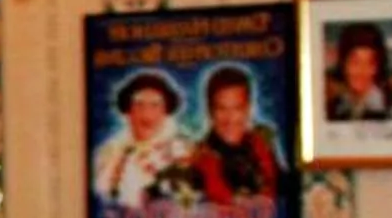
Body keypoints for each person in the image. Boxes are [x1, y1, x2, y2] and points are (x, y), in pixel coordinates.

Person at [91, 71, 190, 207]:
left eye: (155, 105)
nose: (146, 114)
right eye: (139, 104)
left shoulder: (182, 151)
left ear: (165, 111)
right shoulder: (109, 153)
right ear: (128, 111)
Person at [188, 65, 282, 202]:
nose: (230, 119)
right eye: (221, 109)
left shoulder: (262, 144)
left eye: (237, 109)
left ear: (248, 109)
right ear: (210, 111)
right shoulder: (199, 159)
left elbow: (284, 191)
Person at [323, 22, 392, 122]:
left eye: (370, 63)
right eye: (355, 62)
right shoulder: (333, 108)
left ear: (378, 67)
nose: (362, 71)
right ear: (343, 64)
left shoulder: (391, 110)